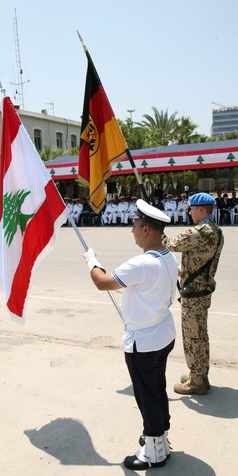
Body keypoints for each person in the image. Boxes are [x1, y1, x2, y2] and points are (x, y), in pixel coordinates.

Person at [84, 200, 178, 470]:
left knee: (146, 394)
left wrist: (92, 262)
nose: (132, 231)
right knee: (156, 388)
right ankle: (160, 434)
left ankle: (154, 451)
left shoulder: (142, 263)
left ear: (147, 230)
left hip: (145, 341)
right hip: (162, 333)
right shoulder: (167, 255)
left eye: (135, 226)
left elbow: (102, 283)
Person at [162, 192, 224, 395]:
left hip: (193, 294)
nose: (189, 212)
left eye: (191, 209)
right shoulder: (216, 231)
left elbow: (171, 244)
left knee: (192, 337)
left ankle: (196, 381)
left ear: (200, 210)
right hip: (203, 291)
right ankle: (200, 375)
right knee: (200, 335)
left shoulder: (199, 232)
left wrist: (159, 230)